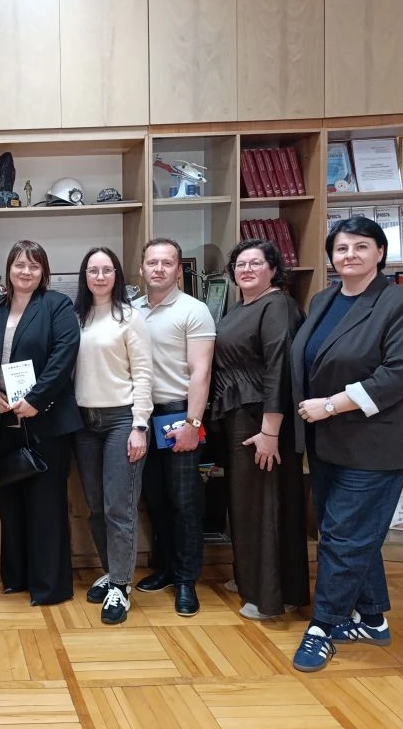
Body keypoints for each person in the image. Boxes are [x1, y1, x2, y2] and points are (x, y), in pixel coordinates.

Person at [289, 216, 403, 672]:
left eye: (360, 246)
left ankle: (323, 626)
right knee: (347, 533)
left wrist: (331, 405)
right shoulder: (324, 299)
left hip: (374, 444)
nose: (349, 255)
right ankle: (371, 619)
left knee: (343, 538)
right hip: (327, 441)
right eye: (341, 248)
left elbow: (399, 375)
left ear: (380, 252)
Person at [209, 239, 309, 622]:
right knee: (246, 503)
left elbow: (278, 367)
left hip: (262, 419)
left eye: (255, 263)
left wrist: (270, 431)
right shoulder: (242, 307)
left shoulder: (277, 305)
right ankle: (251, 578)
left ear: (273, 269)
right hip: (239, 414)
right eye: (240, 264)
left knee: (266, 504)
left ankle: (271, 596)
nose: (246, 269)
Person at [0, 240, 81, 606]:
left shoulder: (57, 305)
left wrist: (36, 400)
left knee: (45, 504)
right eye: (20, 264)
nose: (26, 271)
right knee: (11, 499)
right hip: (3, 418)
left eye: (34, 266)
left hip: (46, 420)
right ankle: (17, 577)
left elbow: (63, 356)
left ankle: (49, 586)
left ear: (44, 272)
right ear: (8, 269)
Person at [133, 238, 215, 616]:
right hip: (142, 417)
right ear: (142, 268)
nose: (159, 268)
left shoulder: (193, 310)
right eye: (153, 262)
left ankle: (186, 579)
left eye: (167, 263)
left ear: (179, 270)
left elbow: (201, 372)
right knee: (156, 498)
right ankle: (166, 567)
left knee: (184, 501)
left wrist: (193, 424)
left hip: (179, 414)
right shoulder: (133, 310)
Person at [72, 247, 152, 623]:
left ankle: (121, 586)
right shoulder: (77, 317)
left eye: (107, 270)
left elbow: (144, 374)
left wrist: (140, 426)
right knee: (95, 505)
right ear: (85, 276)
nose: (100, 276)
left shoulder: (130, 317)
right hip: (84, 424)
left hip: (122, 421)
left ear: (117, 275)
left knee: (119, 507)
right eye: (93, 270)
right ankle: (112, 571)